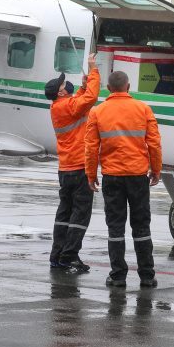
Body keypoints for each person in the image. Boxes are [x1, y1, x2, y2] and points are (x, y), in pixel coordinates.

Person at [84, 70, 162, 288]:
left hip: (112, 177)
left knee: (116, 227)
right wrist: (155, 170)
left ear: (108, 89)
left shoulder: (97, 112)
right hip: (138, 176)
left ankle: (118, 276)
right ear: (128, 87)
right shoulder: (143, 109)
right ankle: (147, 276)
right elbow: (154, 143)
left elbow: (91, 148)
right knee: (141, 226)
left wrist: (91, 174)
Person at [45, 53, 100, 273]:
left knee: (65, 213)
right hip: (79, 168)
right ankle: (69, 256)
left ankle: (57, 256)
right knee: (80, 215)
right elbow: (91, 99)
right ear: (60, 92)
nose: (66, 82)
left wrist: (82, 88)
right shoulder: (65, 107)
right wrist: (94, 69)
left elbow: (78, 103)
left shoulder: (59, 106)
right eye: (63, 83)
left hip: (66, 169)